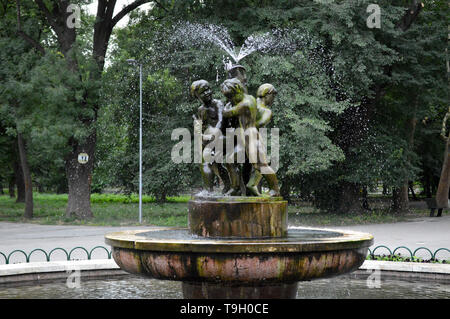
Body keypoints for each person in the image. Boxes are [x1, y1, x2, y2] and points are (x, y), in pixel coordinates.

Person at [220, 78, 280, 197]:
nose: (230, 100)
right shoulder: (250, 99)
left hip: (251, 136)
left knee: (260, 165)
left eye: (231, 97)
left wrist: (226, 107)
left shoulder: (245, 103)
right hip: (243, 136)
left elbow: (227, 113)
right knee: (231, 160)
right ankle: (235, 188)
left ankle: (275, 189)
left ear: (238, 92)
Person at [190, 80, 234, 193]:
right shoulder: (200, 110)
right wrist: (197, 128)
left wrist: (212, 137)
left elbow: (221, 122)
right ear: (197, 96)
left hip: (224, 138)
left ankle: (208, 190)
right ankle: (228, 185)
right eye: (203, 91)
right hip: (211, 140)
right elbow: (200, 128)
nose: (208, 92)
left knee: (205, 159)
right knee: (215, 164)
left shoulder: (217, 104)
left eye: (208, 89)